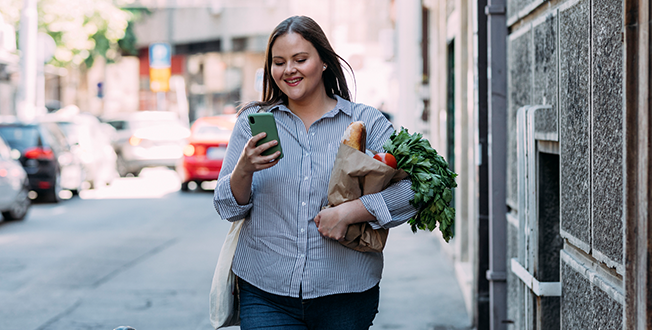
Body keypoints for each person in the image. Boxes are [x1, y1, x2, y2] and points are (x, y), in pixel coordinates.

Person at [213, 15, 418, 330]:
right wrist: (244, 168)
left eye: (300, 59)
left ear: (323, 61)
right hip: (265, 292)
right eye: (278, 62)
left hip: (346, 293)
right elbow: (226, 207)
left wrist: (351, 212)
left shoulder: (367, 123)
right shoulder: (252, 123)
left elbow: (414, 190)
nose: (288, 70)